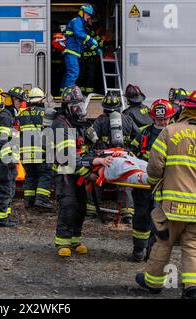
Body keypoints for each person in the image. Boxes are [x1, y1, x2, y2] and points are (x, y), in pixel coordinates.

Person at [136, 89, 196, 299]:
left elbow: (154, 167)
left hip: (174, 205)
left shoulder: (169, 131)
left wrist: (154, 183)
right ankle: (194, 289)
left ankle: (153, 283)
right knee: (193, 244)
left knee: (164, 242)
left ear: (185, 108)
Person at [129, 99, 176, 262]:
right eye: (158, 119)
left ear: (171, 117)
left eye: (165, 119)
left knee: (159, 219)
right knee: (141, 216)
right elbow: (132, 153)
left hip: (165, 185)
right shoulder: (144, 133)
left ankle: (152, 252)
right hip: (144, 184)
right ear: (152, 118)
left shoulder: (176, 134)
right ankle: (138, 250)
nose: (162, 122)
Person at [52, 85, 97, 257]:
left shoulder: (79, 123)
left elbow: (87, 148)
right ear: (67, 106)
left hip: (78, 171)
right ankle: (62, 241)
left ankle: (75, 239)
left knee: (81, 207)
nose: (80, 109)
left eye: (81, 104)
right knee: (68, 205)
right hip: (64, 173)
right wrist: (89, 174)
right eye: (75, 105)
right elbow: (68, 156)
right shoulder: (60, 125)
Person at [92, 91, 139, 223]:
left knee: (96, 179)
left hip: (106, 158)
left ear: (104, 107)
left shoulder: (100, 120)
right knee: (125, 182)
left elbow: (92, 138)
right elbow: (139, 136)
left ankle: (91, 210)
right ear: (119, 106)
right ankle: (127, 212)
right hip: (123, 155)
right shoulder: (128, 119)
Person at [0, 87, 28, 227]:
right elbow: (2, 140)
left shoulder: (11, 116)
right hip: (3, 162)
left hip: (8, 161)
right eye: (19, 101)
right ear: (12, 100)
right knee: (4, 190)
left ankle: (5, 216)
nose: (21, 104)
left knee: (10, 190)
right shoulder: (5, 116)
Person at [19, 87, 54, 210]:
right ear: (41, 100)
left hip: (25, 153)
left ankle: (29, 201)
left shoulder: (22, 114)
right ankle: (42, 201)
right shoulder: (47, 113)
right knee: (45, 175)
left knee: (30, 175)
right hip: (42, 151)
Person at [60, 4, 103, 92]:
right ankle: (68, 94)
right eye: (87, 14)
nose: (88, 17)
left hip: (74, 53)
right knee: (73, 73)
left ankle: (63, 93)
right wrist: (90, 38)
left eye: (89, 15)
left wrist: (95, 49)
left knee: (70, 73)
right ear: (82, 13)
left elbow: (84, 40)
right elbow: (79, 34)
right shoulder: (77, 21)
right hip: (72, 52)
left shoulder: (81, 24)